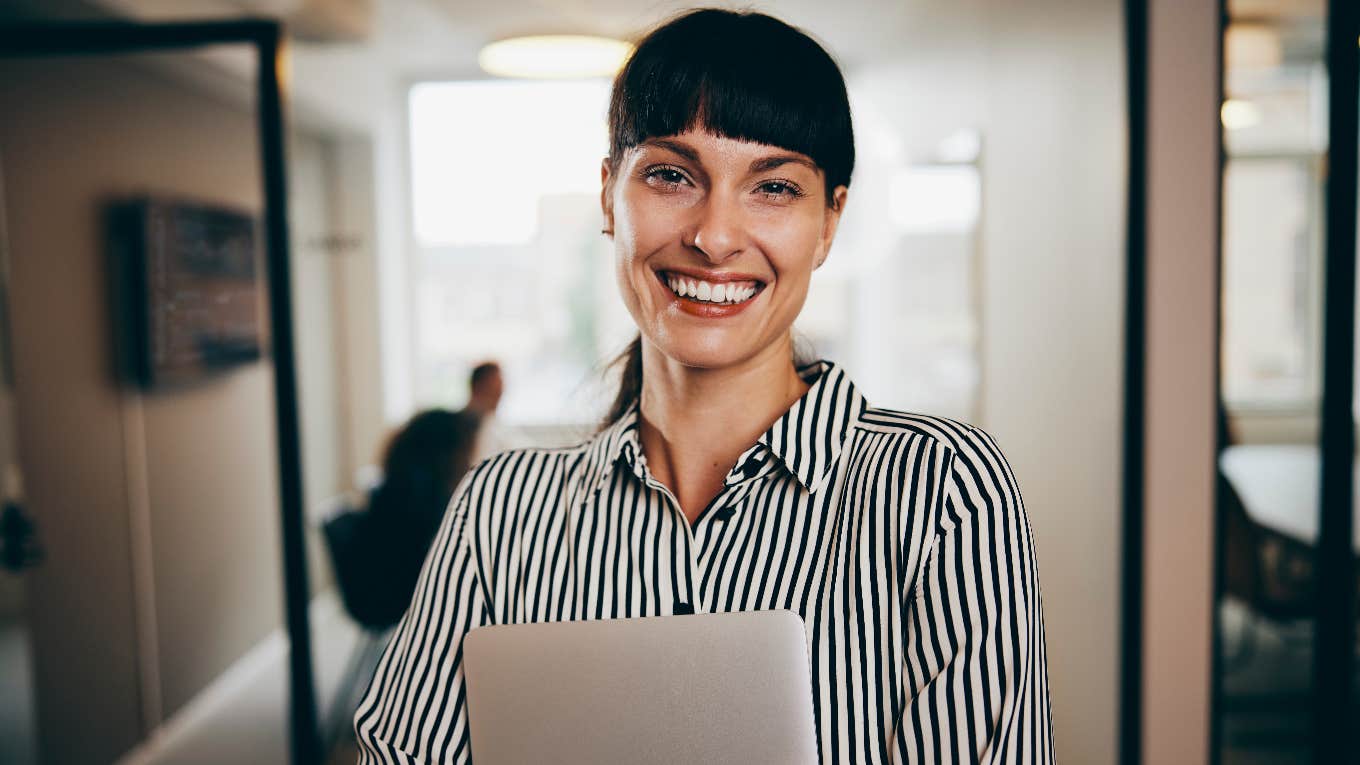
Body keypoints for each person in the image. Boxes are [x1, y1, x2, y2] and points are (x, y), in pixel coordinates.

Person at [355, 9, 1053, 763]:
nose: (715, 236)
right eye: (670, 175)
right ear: (607, 196)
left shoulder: (943, 492)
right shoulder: (499, 509)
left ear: (829, 223)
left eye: (775, 187)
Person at [337, 408, 480, 630]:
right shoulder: (417, 496)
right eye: (465, 450)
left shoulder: (404, 483)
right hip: (391, 593)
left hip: (385, 584)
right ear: (445, 452)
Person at [462, 361, 509, 463]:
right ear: (477, 387)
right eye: (493, 391)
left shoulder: (496, 428)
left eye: (499, 392)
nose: (498, 399)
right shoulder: (460, 428)